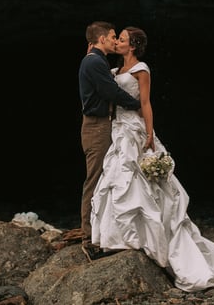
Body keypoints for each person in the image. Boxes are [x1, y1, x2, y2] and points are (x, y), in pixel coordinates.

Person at [90, 26, 214, 292]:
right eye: (116, 38)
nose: (117, 42)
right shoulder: (114, 71)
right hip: (118, 129)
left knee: (142, 184)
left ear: (132, 46)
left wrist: (150, 133)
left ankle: (153, 241)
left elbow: (145, 102)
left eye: (121, 39)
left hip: (135, 128)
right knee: (118, 180)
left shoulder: (141, 69)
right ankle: (121, 237)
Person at [78, 21, 141, 257]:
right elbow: (110, 91)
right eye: (113, 36)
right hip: (96, 126)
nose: (116, 40)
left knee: (106, 179)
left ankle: (103, 234)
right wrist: (139, 105)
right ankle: (88, 239)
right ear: (102, 39)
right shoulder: (94, 61)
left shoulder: (95, 60)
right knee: (94, 180)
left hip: (103, 125)